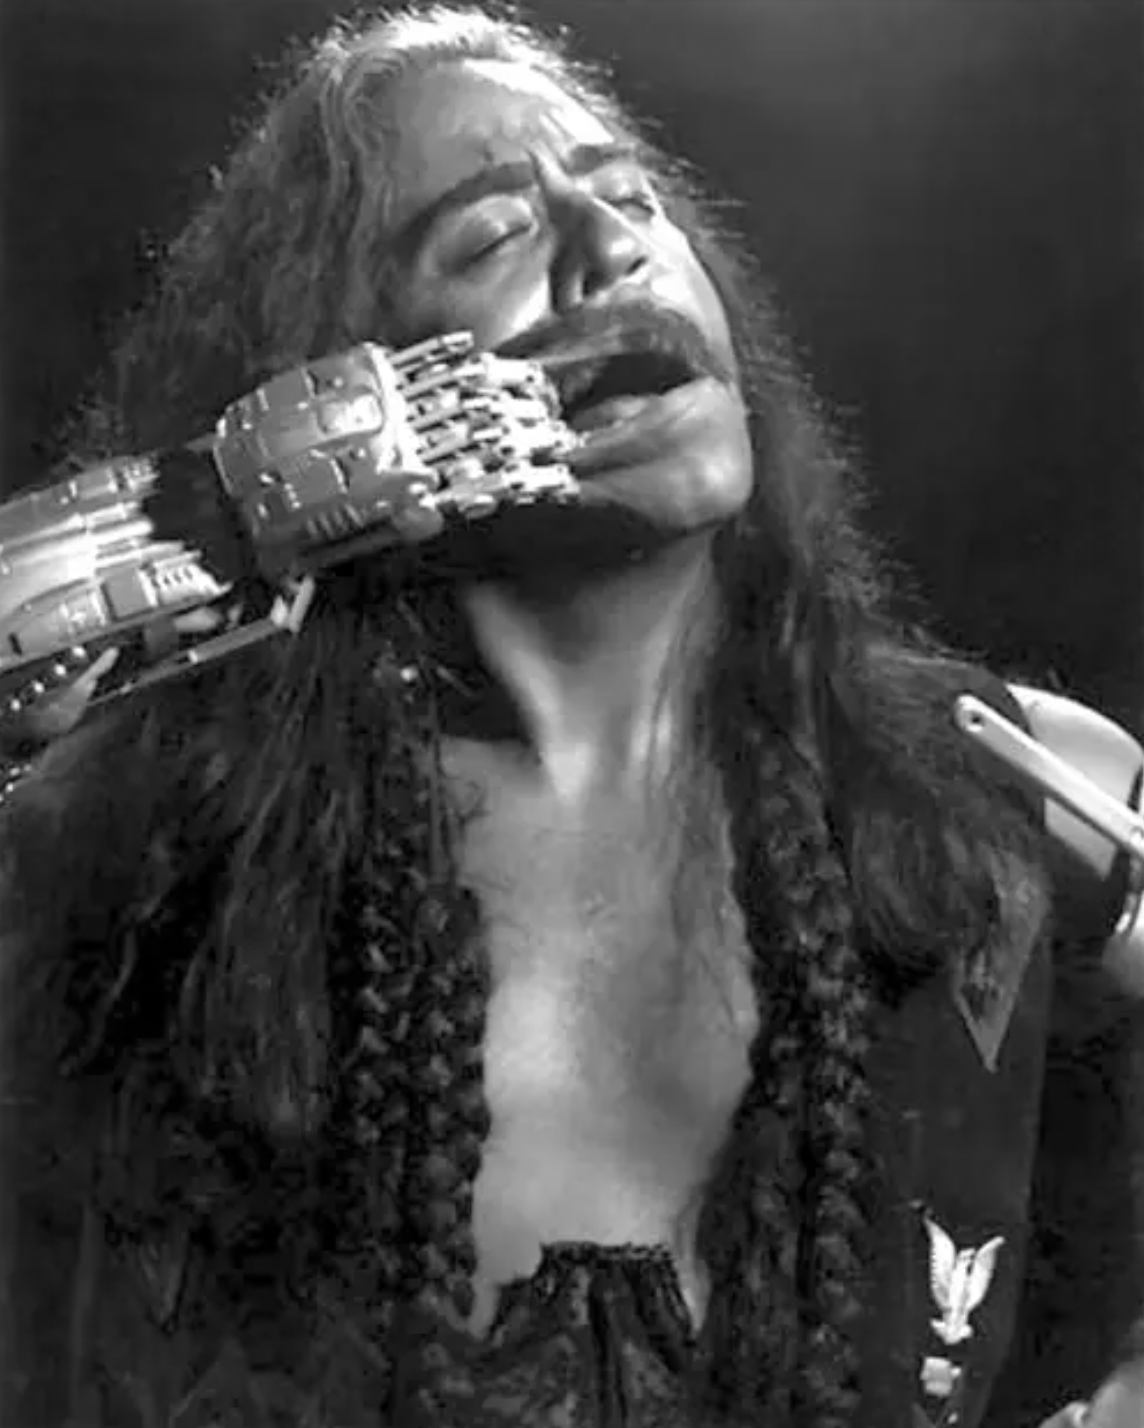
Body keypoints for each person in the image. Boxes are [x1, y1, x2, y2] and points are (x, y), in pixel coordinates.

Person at [1, 5, 1141, 1426]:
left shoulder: (1013, 793)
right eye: (493, 237)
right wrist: (158, 547)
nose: (614, 250)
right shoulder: (134, 873)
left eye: (634, 197)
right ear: (335, 385)